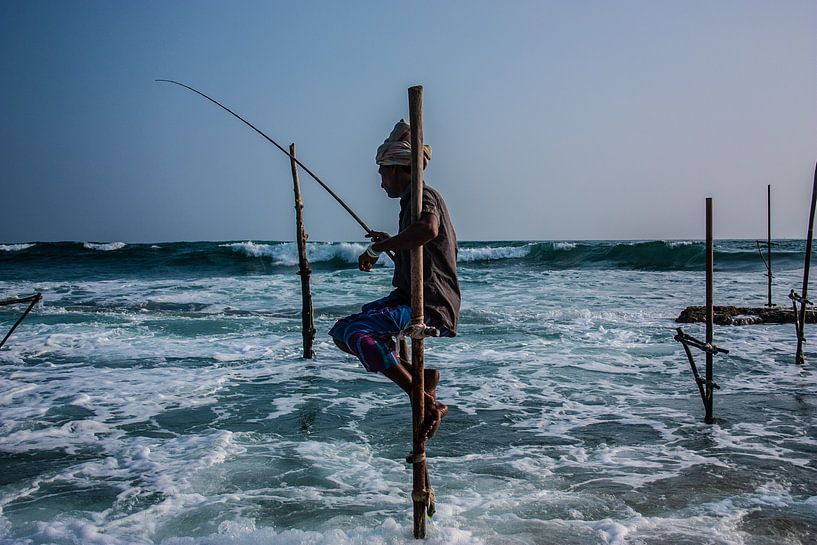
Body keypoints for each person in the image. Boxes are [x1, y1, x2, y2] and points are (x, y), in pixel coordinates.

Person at [329, 119, 460, 441]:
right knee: (342, 332)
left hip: (429, 302)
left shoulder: (423, 194)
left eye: (382, 173)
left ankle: (423, 399)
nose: (381, 182)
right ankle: (421, 380)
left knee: (361, 333)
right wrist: (394, 241)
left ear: (400, 169)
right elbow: (419, 244)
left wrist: (377, 248)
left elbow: (428, 230)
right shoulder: (410, 202)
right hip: (407, 295)